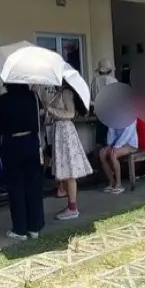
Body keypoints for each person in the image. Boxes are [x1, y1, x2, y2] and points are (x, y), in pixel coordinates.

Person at [0, 83, 45, 240]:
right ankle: (35, 226)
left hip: (12, 143)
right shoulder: (33, 97)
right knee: (34, 185)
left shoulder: (3, 100)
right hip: (31, 141)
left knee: (15, 186)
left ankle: (20, 228)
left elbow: (0, 122)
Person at [48, 82, 92, 220]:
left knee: (70, 170)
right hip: (59, 131)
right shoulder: (58, 93)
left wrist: (51, 110)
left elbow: (70, 113)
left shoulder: (66, 93)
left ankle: (73, 207)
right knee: (66, 171)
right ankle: (70, 205)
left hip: (65, 132)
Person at [98, 120, 139, 194]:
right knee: (102, 153)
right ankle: (112, 182)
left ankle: (119, 185)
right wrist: (109, 145)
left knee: (113, 154)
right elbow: (111, 132)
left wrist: (117, 146)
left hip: (130, 145)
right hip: (117, 144)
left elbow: (128, 133)